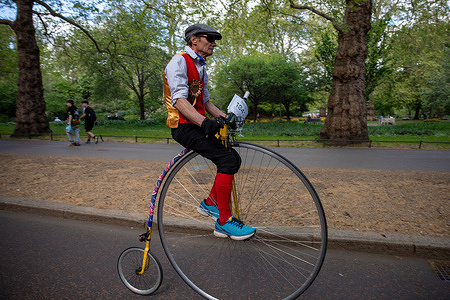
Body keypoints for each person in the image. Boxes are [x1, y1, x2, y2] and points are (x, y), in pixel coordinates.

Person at [163, 24, 255, 240]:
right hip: (184, 126)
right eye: (210, 38)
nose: (214, 43)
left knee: (233, 159)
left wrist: (223, 116)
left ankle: (210, 203)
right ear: (194, 40)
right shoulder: (179, 61)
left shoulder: (201, 67)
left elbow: (204, 101)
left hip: (196, 124)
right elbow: (179, 100)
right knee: (227, 161)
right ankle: (223, 221)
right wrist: (204, 122)